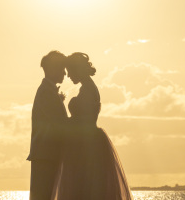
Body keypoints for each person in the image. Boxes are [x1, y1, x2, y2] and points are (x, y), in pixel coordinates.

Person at [54, 52, 132, 200]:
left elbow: (82, 121)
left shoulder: (88, 89)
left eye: (70, 72)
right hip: (87, 140)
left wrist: (60, 117)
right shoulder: (88, 88)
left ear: (77, 69)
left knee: (85, 185)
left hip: (86, 144)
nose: (69, 76)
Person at [27, 50, 68, 200]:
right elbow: (59, 123)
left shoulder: (48, 91)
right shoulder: (46, 92)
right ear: (52, 69)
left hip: (49, 155)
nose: (64, 73)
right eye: (61, 69)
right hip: (46, 155)